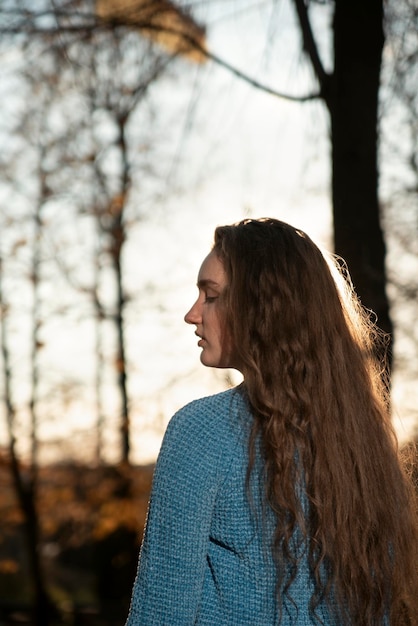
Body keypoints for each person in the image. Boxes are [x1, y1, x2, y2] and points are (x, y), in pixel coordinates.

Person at [125, 218, 418, 625]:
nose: (192, 315)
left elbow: (160, 613)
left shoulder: (200, 431)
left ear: (261, 308)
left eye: (210, 296)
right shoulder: (362, 441)